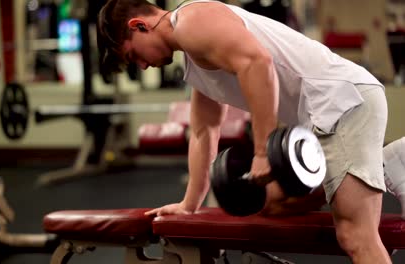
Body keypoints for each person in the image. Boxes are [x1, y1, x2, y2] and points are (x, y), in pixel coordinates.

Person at [97, 0, 397, 262]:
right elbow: (204, 131)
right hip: (319, 116)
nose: (143, 66)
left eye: (134, 56)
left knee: (355, 236)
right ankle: (381, 165)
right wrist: (188, 205)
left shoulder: (192, 21)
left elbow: (258, 63)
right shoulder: (194, 55)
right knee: (274, 201)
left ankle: (374, 166)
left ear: (139, 26)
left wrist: (262, 151)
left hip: (342, 101)